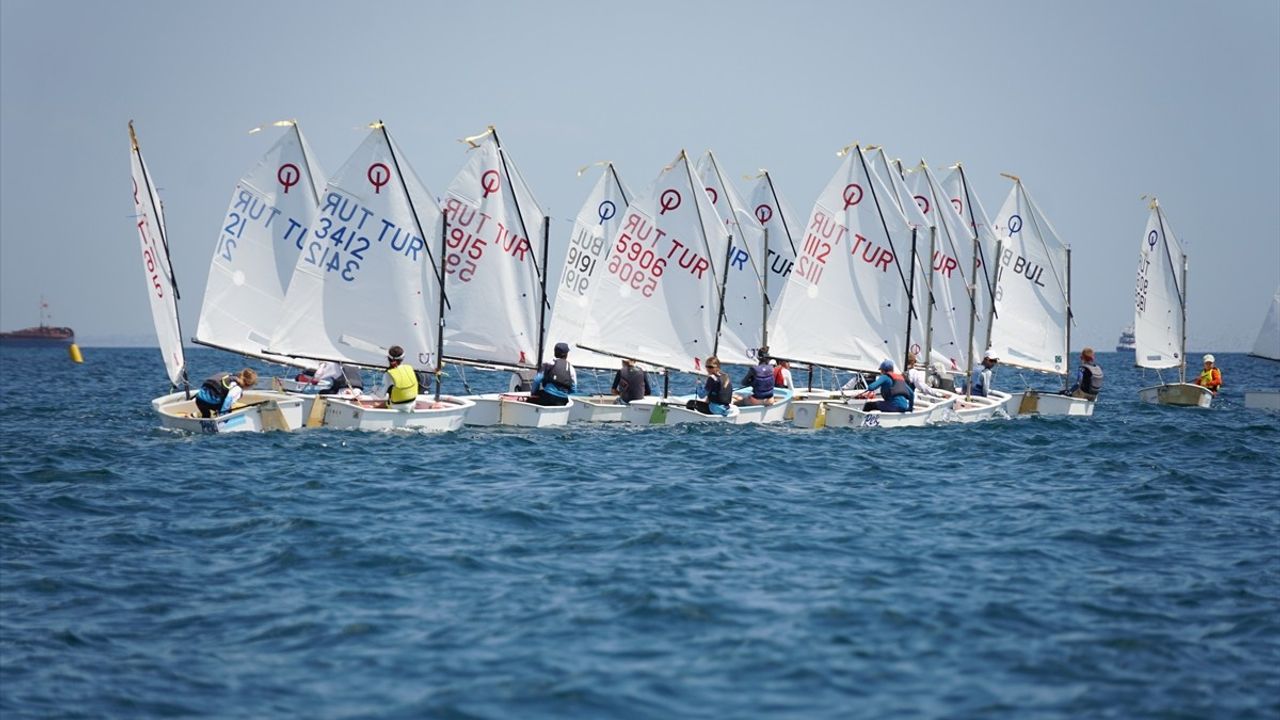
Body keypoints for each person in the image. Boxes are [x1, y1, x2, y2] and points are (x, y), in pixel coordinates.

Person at [528, 342, 576, 406]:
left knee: (531, 399)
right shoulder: (571, 368)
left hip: (547, 396)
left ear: (555, 352)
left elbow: (537, 380)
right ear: (566, 354)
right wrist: (562, 393)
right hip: (563, 400)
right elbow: (573, 389)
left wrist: (533, 393)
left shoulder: (548, 364)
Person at [381, 345, 419, 411]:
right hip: (412, 404)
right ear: (403, 358)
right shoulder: (410, 368)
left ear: (388, 358)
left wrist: (374, 389)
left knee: (379, 404)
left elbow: (381, 395)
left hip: (396, 407)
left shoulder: (388, 374)